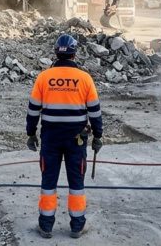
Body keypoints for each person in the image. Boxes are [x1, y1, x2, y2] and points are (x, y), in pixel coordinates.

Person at [26, 34, 103, 239]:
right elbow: (95, 111)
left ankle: (46, 226)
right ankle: (77, 226)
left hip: (50, 137)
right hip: (76, 139)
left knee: (48, 181)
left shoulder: (44, 77)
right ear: (74, 53)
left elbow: (33, 110)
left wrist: (31, 133)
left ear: (55, 53)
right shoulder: (85, 78)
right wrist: (98, 135)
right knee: (76, 183)